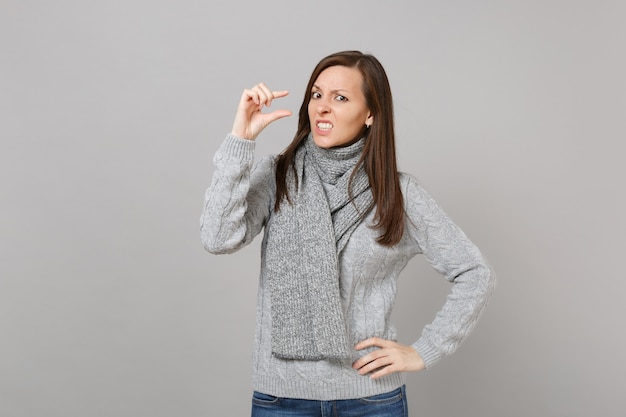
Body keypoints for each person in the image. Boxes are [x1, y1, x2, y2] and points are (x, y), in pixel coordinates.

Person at [200, 50, 495, 416]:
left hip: (370, 400)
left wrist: (425, 350)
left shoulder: (397, 194)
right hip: (281, 399)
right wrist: (240, 140)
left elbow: (474, 273)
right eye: (317, 94)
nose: (322, 107)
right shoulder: (278, 177)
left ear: (370, 114)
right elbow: (217, 237)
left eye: (340, 98)